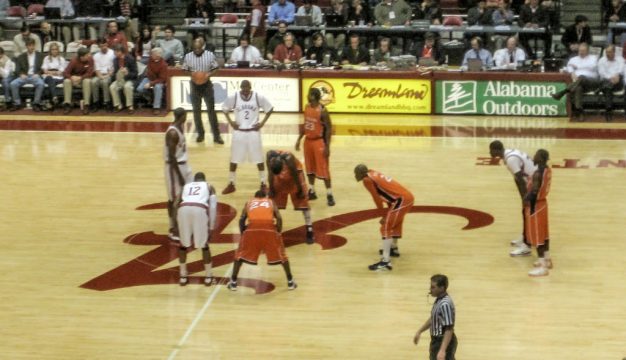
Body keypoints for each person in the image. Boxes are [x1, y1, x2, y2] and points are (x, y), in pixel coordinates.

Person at [227, 190, 297, 291]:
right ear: (265, 196)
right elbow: (279, 218)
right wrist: (278, 232)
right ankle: (290, 281)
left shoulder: (249, 202)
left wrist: (243, 233)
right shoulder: (270, 202)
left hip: (252, 228)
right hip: (269, 228)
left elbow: (242, 219)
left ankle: (233, 282)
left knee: (239, 255)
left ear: (255, 197)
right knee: (282, 256)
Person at [354, 164, 414, 270]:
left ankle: (386, 262)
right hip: (405, 198)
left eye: (356, 173)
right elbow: (386, 194)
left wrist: (383, 215)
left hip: (401, 200)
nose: (355, 176)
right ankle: (393, 249)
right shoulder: (372, 172)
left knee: (385, 227)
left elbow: (377, 199)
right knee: (394, 224)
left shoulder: (367, 180)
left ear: (361, 173)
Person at [221, 80, 274, 195]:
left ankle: (263, 183)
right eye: (243, 88)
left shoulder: (257, 97)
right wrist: (231, 122)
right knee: (234, 159)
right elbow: (224, 108)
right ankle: (231, 183)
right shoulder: (234, 97)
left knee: (259, 159)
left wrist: (262, 123)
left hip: (253, 132)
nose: (245, 90)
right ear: (240, 88)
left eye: (247, 88)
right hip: (239, 132)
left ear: (250, 87)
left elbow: (270, 109)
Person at [489, 140, 537, 256]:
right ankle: (525, 236)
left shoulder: (510, 160)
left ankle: (526, 246)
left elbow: (521, 180)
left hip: (534, 184)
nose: (489, 152)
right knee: (525, 212)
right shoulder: (510, 153)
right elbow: (518, 178)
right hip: (533, 181)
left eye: (490, 150)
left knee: (527, 212)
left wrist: (525, 197)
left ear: (496, 150)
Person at [174, 172, 217, 286]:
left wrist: (175, 224)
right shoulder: (209, 186)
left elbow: (175, 204)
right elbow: (213, 207)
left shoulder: (185, 186)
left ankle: (183, 276)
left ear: (195, 180)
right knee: (204, 246)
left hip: (183, 209)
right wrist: (211, 227)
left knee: (183, 246)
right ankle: (208, 276)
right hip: (199, 209)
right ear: (204, 179)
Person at [295, 88, 334, 206]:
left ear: (314, 96)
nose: (307, 96)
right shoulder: (307, 107)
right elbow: (306, 125)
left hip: (318, 142)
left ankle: (329, 194)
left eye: (309, 94)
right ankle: (312, 190)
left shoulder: (322, 110)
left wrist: (327, 146)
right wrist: (299, 139)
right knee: (310, 168)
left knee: (323, 170)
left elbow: (329, 129)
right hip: (308, 141)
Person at [267, 150, 315, 244]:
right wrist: (271, 188)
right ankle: (271, 228)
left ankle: (309, 229)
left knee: (303, 203)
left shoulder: (289, 158)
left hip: (295, 176)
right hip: (279, 178)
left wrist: (300, 189)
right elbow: (270, 172)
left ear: (282, 166)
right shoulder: (269, 156)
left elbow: (295, 174)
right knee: (273, 202)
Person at [182, 37, 223, 144]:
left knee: (211, 111)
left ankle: (216, 135)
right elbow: (185, 70)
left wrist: (207, 74)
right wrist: (193, 74)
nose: (197, 50)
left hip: (206, 85)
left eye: (199, 48)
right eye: (195, 49)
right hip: (194, 85)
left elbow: (216, 68)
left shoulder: (210, 55)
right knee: (196, 111)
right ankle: (200, 134)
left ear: (202, 47)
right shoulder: (188, 56)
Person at [165, 108, 194, 241]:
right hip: (173, 167)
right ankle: (173, 229)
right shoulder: (172, 133)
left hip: (184, 165)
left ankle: (183, 223)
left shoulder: (180, 126)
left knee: (188, 195)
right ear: (182, 116)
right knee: (174, 199)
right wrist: (180, 176)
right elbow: (171, 157)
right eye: (185, 116)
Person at [413, 274, 458, 360]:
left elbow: (449, 329)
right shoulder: (439, 299)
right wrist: (419, 331)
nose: (430, 289)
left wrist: (442, 350)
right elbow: (433, 318)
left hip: (442, 341)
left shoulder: (445, 304)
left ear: (442, 288)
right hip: (437, 341)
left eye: (433, 287)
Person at [551, 43, 599, 121]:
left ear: (587, 51)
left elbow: (591, 66)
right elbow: (568, 67)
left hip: (592, 82)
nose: (581, 52)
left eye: (583, 51)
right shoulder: (573, 59)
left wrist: (578, 67)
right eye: (580, 50)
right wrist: (572, 72)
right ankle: (580, 111)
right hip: (578, 84)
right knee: (578, 88)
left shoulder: (594, 58)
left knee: (582, 77)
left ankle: (563, 92)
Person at [524, 149, 553, 277]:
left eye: (535, 155)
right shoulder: (547, 169)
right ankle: (547, 260)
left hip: (536, 206)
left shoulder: (537, 173)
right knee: (545, 235)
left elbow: (534, 192)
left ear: (540, 158)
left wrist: (526, 199)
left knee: (538, 237)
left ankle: (542, 267)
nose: (533, 157)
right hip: (543, 204)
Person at [9, 38, 45, 112]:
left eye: (32, 45)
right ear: (26, 46)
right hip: (24, 76)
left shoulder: (40, 56)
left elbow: (43, 68)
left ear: (34, 46)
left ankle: (36, 103)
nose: (31, 47)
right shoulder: (21, 56)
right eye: (29, 45)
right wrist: (21, 74)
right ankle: (17, 103)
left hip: (35, 76)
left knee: (41, 84)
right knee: (13, 84)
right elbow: (17, 69)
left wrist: (38, 74)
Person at [136, 48, 168, 115]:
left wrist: (151, 83)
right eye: (152, 54)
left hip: (159, 81)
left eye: (153, 54)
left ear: (158, 55)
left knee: (158, 87)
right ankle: (151, 98)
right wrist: (150, 81)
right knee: (139, 89)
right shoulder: (150, 59)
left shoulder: (164, 64)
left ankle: (156, 107)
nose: (151, 55)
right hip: (149, 78)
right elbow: (149, 70)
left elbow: (162, 79)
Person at [62, 47, 94, 115]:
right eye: (87, 55)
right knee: (66, 81)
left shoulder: (90, 59)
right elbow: (65, 73)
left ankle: (86, 104)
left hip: (83, 80)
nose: (89, 56)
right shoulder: (74, 61)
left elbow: (90, 73)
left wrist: (80, 78)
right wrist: (71, 77)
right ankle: (67, 104)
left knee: (87, 81)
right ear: (81, 57)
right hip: (74, 80)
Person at [596, 45, 624, 121]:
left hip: (618, 82)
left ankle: (600, 88)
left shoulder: (620, 59)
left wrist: (616, 76)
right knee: (608, 88)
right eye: (606, 52)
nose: (607, 54)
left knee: (607, 86)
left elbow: (621, 70)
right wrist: (611, 78)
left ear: (614, 52)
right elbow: (602, 73)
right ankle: (608, 110)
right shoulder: (602, 60)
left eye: (610, 52)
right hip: (607, 81)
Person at [109, 44, 138, 114]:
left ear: (121, 52)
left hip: (129, 79)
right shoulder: (115, 60)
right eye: (114, 52)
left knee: (127, 86)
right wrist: (112, 73)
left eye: (115, 52)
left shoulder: (130, 59)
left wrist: (127, 73)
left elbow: (135, 73)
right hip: (119, 79)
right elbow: (115, 73)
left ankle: (130, 106)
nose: (114, 54)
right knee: (112, 87)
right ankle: (118, 105)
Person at [91, 38, 115, 112]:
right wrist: (100, 76)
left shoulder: (113, 53)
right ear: (99, 47)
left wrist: (107, 76)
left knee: (104, 82)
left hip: (110, 74)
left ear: (107, 44)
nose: (104, 47)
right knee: (93, 81)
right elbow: (96, 69)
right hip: (100, 74)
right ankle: (96, 102)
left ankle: (106, 102)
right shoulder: (96, 56)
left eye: (105, 45)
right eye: (101, 46)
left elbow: (113, 67)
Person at [41, 42, 67, 110]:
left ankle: (51, 100)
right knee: (50, 79)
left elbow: (61, 72)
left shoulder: (62, 59)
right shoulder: (46, 58)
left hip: (59, 78)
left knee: (51, 81)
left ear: (58, 50)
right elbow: (44, 71)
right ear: (50, 50)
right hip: (48, 77)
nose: (54, 51)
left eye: (56, 49)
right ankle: (54, 97)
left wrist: (51, 72)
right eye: (53, 49)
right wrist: (54, 72)